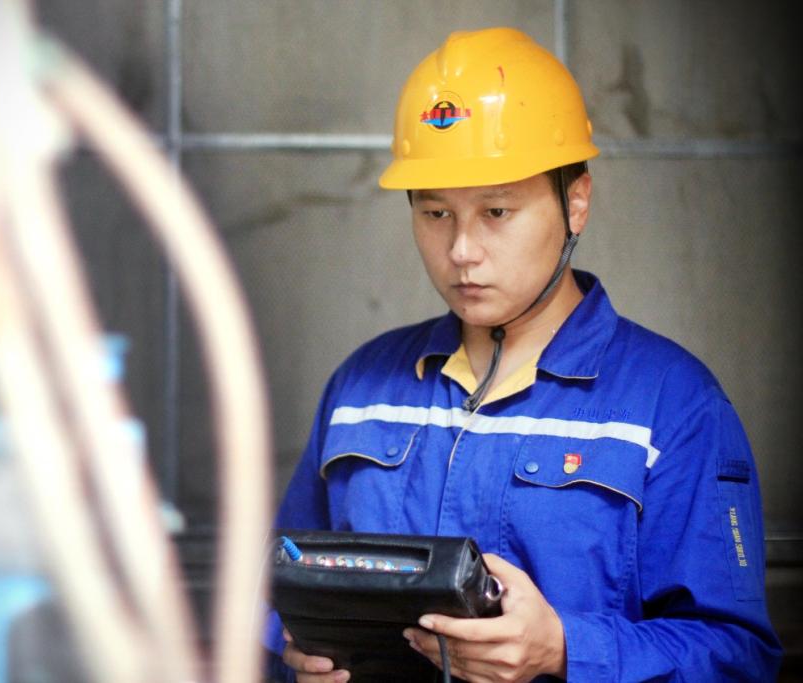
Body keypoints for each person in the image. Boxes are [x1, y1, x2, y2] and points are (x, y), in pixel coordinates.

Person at [266, 27, 782, 682]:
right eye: (435, 214)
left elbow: (736, 657)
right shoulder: (361, 390)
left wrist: (562, 648)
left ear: (576, 202)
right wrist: (293, 653)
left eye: (497, 211)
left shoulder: (673, 406)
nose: (462, 251)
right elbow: (277, 589)